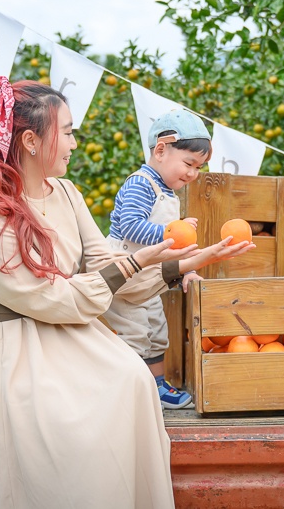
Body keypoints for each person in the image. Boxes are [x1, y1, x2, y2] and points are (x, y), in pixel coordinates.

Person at [0, 79, 253, 509]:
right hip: (17, 351)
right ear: (31, 140)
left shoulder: (66, 192)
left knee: (133, 378)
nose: (74, 144)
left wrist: (191, 262)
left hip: (70, 335)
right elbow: (51, 299)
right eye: (67, 132)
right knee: (67, 432)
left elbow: (112, 273)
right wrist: (136, 261)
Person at [103, 109, 211, 409]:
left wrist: (184, 271)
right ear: (161, 150)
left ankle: (156, 386)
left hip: (148, 281)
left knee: (156, 333)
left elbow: (167, 251)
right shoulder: (141, 184)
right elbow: (130, 226)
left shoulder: (166, 191)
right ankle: (128, 392)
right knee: (134, 335)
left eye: (199, 167)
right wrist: (169, 232)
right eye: (189, 163)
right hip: (126, 277)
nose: (192, 173)